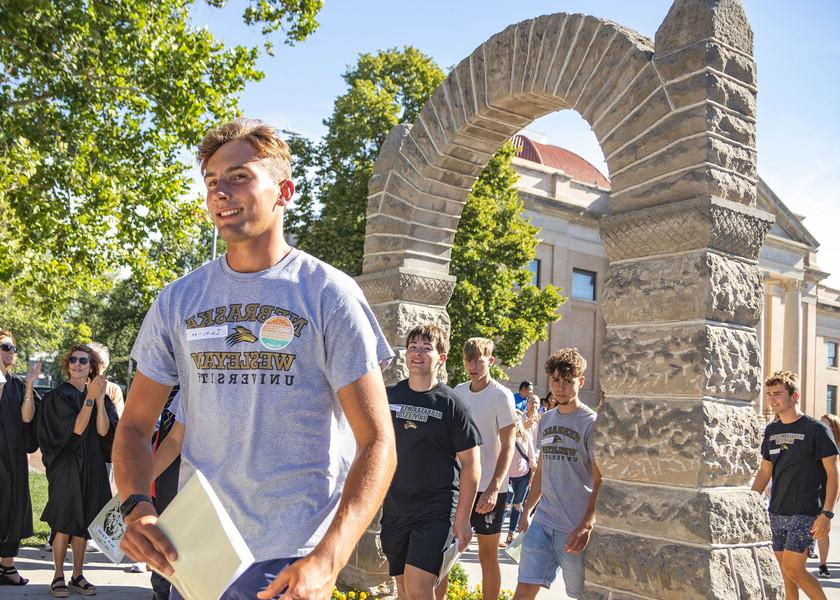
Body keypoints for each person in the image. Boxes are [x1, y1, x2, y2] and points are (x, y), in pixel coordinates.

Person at [113, 118, 396, 600]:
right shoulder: (178, 300)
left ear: (284, 191)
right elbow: (136, 425)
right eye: (211, 182)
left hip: (291, 556)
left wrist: (328, 559)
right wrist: (137, 507)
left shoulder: (328, 294)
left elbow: (378, 442)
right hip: (198, 552)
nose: (220, 192)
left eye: (239, 176)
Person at [380, 324, 481, 600]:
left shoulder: (452, 405)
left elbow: (472, 464)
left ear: (442, 357)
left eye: (426, 348)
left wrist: (462, 518)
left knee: (419, 589)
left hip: (435, 511)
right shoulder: (389, 397)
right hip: (396, 508)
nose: (417, 353)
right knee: (403, 591)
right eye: (412, 347)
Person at [513, 348, 602, 600]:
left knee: (583, 595)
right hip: (542, 523)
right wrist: (527, 510)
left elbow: (600, 479)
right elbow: (542, 469)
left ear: (581, 381)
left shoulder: (591, 423)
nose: (560, 387)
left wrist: (587, 523)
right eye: (555, 380)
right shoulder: (546, 420)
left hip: (574, 527)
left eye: (568, 381)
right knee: (523, 591)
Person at [39, 343, 119, 597]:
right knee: (64, 520)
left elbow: (103, 431)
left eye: (83, 361)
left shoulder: (101, 397)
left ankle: (77, 575)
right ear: (67, 365)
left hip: (93, 463)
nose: (77, 364)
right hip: (67, 465)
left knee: (85, 519)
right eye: (73, 360)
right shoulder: (58, 397)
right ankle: (58, 576)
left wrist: (97, 400)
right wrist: (88, 400)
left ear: (92, 367)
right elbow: (75, 429)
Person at [751, 370, 839, 600]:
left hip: (807, 511)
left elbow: (833, 472)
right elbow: (765, 471)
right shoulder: (771, 430)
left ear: (795, 396)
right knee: (784, 573)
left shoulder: (816, 430)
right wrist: (750, 500)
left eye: (778, 393)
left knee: (793, 568)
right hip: (777, 510)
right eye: (769, 394)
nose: (772, 399)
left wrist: (827, 514)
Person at [454, 337, 517, 600]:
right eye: (469, 360)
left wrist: (493, 488)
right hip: (459, 486)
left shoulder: (501, 396)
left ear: (489, 361)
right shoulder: (457, 391)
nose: (473, 365)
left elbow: (509, 445)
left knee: (487, 556)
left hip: (491, 490)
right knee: (447, 551)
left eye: (478, 360)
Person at [0, 330, 40, 586]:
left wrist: (28, 387)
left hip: (11, 456)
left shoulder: (16, 384)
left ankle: (6, 565)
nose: (10, 352)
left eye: (12, 348)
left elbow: (27, 418)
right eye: (5, 346)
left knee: (12, 505)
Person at [503, 412, 537, 547]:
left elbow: (532, 458)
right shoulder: (505, 436)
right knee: (506, 505)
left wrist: (531, 478)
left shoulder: (526, 436)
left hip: (523, 475)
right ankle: (498, 535)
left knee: (518, 505)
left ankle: (511, 533)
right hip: (508, 477)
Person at [818, 413, 840, 578]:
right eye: (823, 424)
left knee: (824, 527)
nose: (826, 427)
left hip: (832, 489)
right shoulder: (815, 441)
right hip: (815, 488)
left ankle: (823, 563)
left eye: (829, 425)